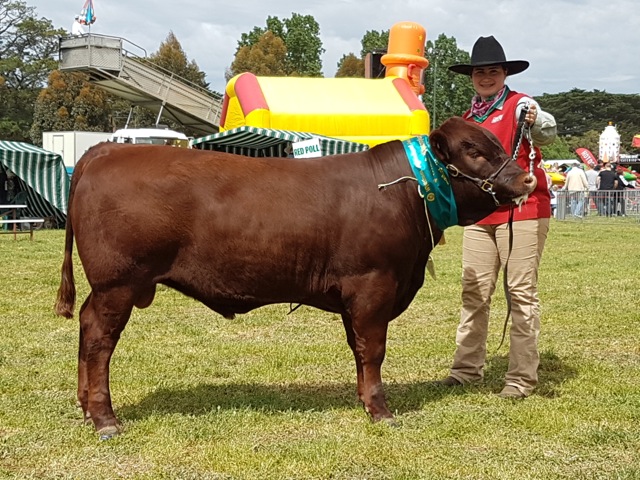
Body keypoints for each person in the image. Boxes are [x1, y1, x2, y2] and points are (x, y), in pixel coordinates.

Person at [440, 36, 557, 399]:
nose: (486, 77)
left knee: (520, 292)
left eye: (493, 70)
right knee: (474, 292)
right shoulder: (470, 116)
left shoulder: (522, 105)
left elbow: (548, 130)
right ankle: (466, 369)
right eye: (480, 72)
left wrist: (538, 120)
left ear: (504, 73)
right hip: (481, 215)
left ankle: (521, 379)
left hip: (523, 210)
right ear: (472, 76)